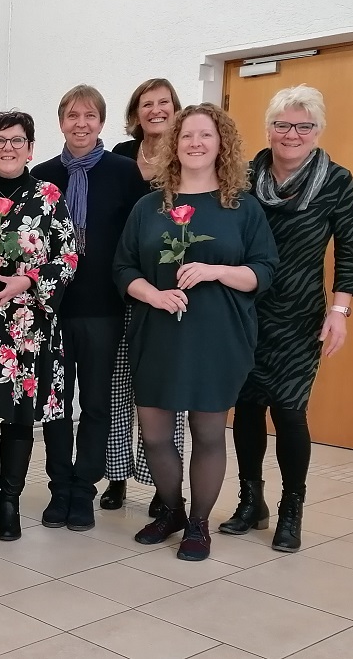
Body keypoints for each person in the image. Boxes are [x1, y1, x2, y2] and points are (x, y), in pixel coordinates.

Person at [114, 103, 278, 561]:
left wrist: (215, 270)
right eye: (187, 136)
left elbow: (263, 271)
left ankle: (200, 524)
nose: (196, 143)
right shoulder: (150, 206)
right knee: (155, 433)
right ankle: (172, 510)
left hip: (218, 334)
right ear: (175, 144)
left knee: (207, 432)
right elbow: (123, 266)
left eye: (206, 135)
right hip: (157, 331)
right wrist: (152, 294)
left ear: (221, 144)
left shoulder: (241, 208)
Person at [224, 85, 353, 552]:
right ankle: (251, 502)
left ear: (318, 131)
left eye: (304, 126)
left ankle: (291, 510)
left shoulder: (337, 181)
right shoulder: (243, 177)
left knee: (288, 411)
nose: (292, 134)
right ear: (269, 129)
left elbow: (350, 251)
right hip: (245, 309)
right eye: (283, 125)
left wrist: (340, 311)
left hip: (301, 315)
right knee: (245, 407)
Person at [32, 85, 150, 531]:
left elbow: (137, 239)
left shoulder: (124, 172)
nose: (81, 123)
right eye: (72, 115)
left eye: (90, 116)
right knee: (56, 403)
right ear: (60, 121)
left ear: (101, 122)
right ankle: (60, 486)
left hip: (104, 308)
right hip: (52, 309)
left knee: (97, 402)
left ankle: (85, 489)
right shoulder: (42, 176)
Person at [0, 111, 78, 542]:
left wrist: (28, 279)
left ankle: (9, 502)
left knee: (18, 416)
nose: (8, 147)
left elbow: (69, 256)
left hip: (29, 324)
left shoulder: (48, 195)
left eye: (17, 140)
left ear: (30, 148)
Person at [104, 79, 187, 514]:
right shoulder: (120, 155)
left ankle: (163, 484)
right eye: (146, 104)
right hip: (124, 281)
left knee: (162, 390)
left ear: (176, 109)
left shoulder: (187, 156)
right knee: (118, 386)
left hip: (169, 287)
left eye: (164, 103)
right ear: (135, 113)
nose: (155, 110)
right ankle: (117, 477)